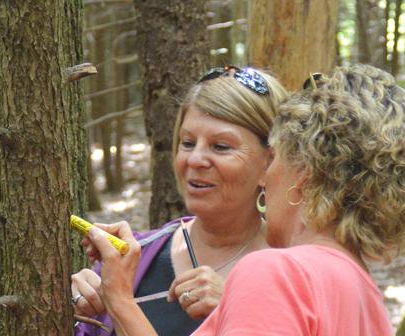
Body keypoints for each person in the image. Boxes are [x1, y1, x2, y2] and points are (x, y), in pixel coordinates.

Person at [86, 64, 405, 335]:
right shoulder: (361, 292)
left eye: (276, 157)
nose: (267, 175)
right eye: (187, 143)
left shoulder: (277, 273)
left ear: (304, 174)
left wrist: (119, 300)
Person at [72, 65, 288, 336]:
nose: (195, 159)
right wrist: (81, 309)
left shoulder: (297, 273)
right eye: (187, 143)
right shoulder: (136, 256)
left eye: (220, 146)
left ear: (270, 162)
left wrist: (237, 312)